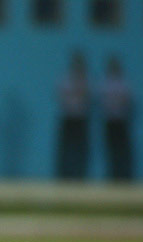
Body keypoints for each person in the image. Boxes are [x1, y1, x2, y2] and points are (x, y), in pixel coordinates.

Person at [56, 52, 90, 181]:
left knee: (80, 149)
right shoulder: (66, 78)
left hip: (81, 117)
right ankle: (64, 175)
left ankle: (80, 175)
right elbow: (59, 95)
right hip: (68, 116)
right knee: (65, 149)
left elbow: (89, 97)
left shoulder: (86, 79)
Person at [99, 56, 133, 182]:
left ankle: (123, 175)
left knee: (121, 150)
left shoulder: (123, 83)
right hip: (110, 120)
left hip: (121, 120)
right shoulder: (105, 83)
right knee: (110, 150)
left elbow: (127, 101)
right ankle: (112, 175)